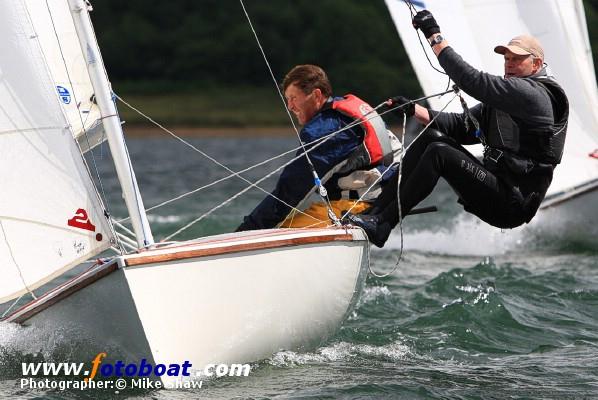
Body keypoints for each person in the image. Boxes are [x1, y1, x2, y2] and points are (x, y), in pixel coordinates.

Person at [347, 10, 569, 247]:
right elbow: (459, 127)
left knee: (439, 152)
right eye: (507, 59)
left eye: (517, 59)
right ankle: (373, 213)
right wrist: (414, 110)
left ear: (536, 64)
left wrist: (434, 35)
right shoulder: (508, 99)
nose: (509, 64)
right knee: (430, 137)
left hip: (512, 203)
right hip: (496, 187)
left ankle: (382, 225)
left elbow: (472, 80)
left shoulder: (534, 95)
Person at [236, 64, 399, 231]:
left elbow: (291, 188)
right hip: (386, 198)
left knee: (278, 232)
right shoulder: (345, 112)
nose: (289, 106)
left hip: (361, 206)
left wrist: (247, 230)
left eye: (294, 98)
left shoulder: (325, 129)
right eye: (287, 99)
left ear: (316, 94)